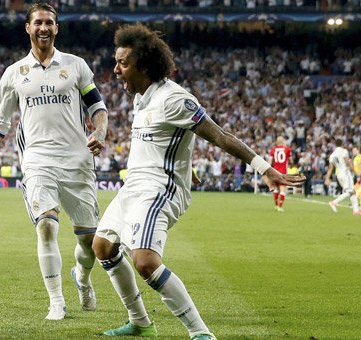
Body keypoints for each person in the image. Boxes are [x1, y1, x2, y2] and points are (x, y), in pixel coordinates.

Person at [92, 24, 306, 339]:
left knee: (145, 261)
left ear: (145, 66)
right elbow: (166, 142)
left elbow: (220, 135)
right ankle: (140, 322)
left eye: (123, 63)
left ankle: (201, 333)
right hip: (133, 187)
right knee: (103, 247)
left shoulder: (174, 99)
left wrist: (264, 167)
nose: (116, 69)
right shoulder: (141, 99)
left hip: (160, 190)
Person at [0, 2, 109, 320]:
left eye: (50, 22)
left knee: (90, 240)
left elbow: (97, 107)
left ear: (57, 28)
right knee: (47, 227)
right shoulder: (13, 74)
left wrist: (101, 131)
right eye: (38, 22)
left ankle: (82, 278)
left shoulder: (76, 66)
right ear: (28, 27)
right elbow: (0, 122)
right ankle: (56, 301)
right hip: (37, 160)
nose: (44, 28)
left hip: (77, 161)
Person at [324, 139, 361, 215]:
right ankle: (334, 202)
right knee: (350, 191)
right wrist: (355, 172)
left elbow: (331, 168)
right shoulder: (344, 151)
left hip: (339, 174)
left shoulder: (332, 155)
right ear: (342, 144)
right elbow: (347, 163)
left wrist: (327, 178)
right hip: (345, 173)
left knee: (352, 191)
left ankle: (356, 210)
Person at [269, 136, 291, 212]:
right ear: (283, 141)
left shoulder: (273, 150)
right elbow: (290, 160)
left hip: (275, 171)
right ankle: (280, 207)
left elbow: (270, 160)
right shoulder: (287, 149)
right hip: (283, 172)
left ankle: (275, 205)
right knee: (282, 190)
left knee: (275, 189)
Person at [351, 146, 361, 214]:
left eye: (354, 150)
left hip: (360, 175)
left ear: (358, 150)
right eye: (353, 151)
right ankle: (357, 203)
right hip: (356, 175)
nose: (353, 152)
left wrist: (359, 175)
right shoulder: (355, 158)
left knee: (359, 190)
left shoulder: (360, 157)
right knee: (356, 190)